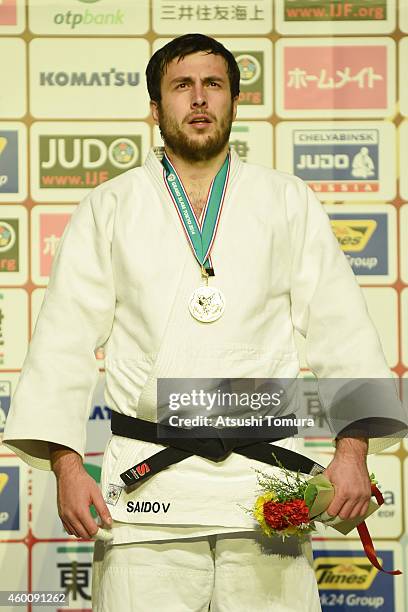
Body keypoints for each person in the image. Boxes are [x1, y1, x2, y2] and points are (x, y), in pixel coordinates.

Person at [3, 34, 405, 611]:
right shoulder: (110, 207)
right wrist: (67, 464)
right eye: (181, 86)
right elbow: (62, 343)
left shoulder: (286, 200)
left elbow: (344, 330)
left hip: (267, 492)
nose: (199, 99)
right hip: (147, 498)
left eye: (213, 85)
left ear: (234, 103)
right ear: (155, 106)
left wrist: (351, 453)